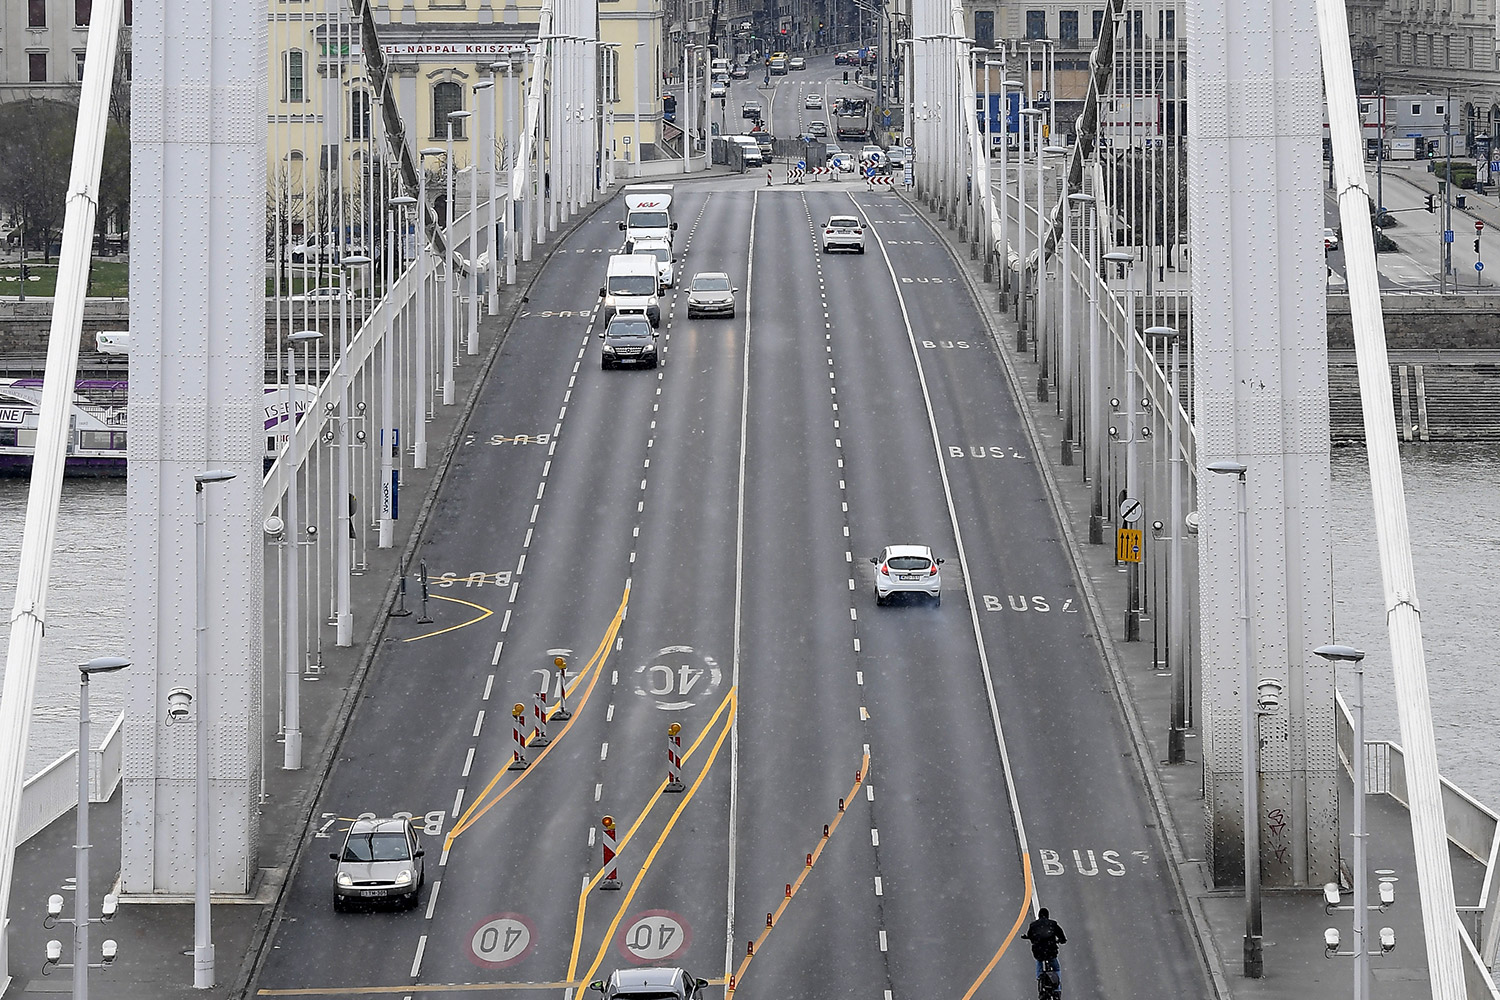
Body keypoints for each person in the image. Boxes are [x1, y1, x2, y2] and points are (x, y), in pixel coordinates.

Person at [1022, 907, 1067, 986]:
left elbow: (1030, 936)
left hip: (1038, 951)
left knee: (1039, 961)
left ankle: (1039, 977)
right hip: (1051, 951)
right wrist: (1062, 940)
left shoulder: (1033, 925)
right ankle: (1057, 987)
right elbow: (1061, 934)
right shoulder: (1053, 924)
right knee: (1057, 968)